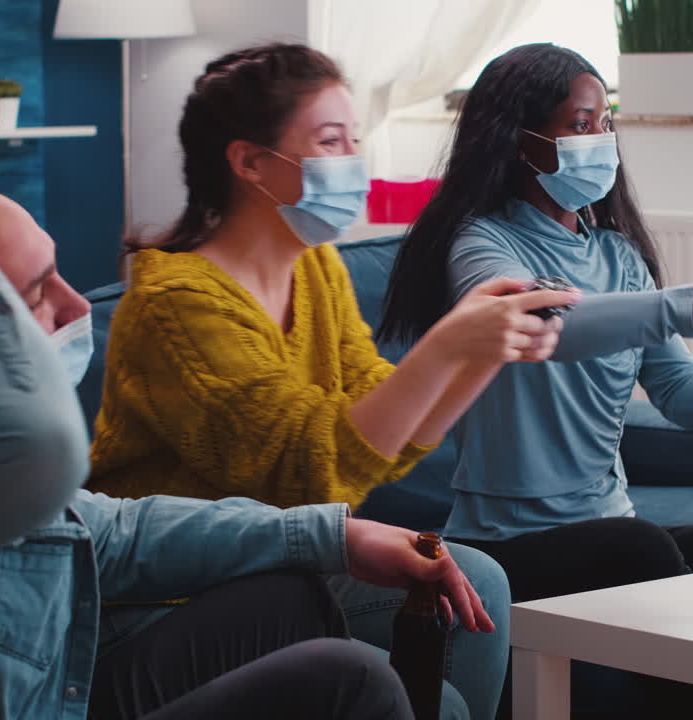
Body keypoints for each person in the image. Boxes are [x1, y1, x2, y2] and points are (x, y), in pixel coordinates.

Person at [0, 171, 500, 719]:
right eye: (38, 293)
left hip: (58, 690)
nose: (78, 304)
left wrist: (337, 536)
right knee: (351, 682)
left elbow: (109, 530)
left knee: (445, 583)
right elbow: (36, 459)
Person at [377, 43, 693, 718]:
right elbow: (544, 327)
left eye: (605, 122)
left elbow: (682, 395)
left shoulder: (619, 256)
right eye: (580, 124)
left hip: (610, 528)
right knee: (640, 547)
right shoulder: (481, 246)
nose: (599, 140)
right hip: (503, 549)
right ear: (520, 141)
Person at [87, 43, 576, 720]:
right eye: (329, 141)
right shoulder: (176, 303)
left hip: (280, 569)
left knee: (481, 582)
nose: (353, 159)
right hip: (169, 597)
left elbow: (387, 445)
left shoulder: (315, 267)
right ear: (249, 162)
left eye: (354, 138)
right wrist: (445, 345)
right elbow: (312, 472)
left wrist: (484, 353)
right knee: (434, 694)